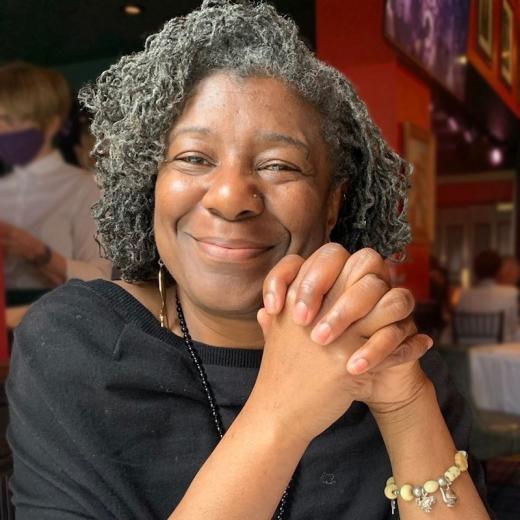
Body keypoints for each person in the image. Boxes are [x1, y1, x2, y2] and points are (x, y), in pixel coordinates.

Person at [7, 1, 491, 519]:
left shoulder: (390, 352)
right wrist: (281, 414)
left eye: (279, 165)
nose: (232, 196)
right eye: (194, 158)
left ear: (333, 203)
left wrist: (403, 402)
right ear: (152, 185)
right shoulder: (76, 343)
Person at [0, 62, 112, 302]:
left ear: (50, 125)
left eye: (9, 120)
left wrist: (38, 253)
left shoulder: (85, 188)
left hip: (57, 320)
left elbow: (101, 278)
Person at [457, 249, 519, 343]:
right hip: (500, 350)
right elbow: (513, 325)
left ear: (475, 270)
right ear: (499, 270)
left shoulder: (463, 295)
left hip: (467, 348)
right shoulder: (511, 292)